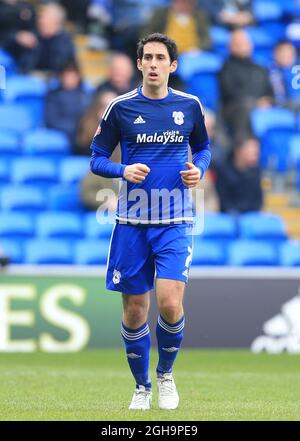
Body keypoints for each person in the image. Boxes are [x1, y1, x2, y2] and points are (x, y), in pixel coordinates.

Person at [90, 33, 211, 410]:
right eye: (148, 57)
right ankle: (142, 386)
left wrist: (199, 170)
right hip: (131, 221)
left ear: (172, 66)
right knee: (134, 310)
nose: (155, 63)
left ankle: (166, 375)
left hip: (175, 218)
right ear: (139, 64)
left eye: (162, 57)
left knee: (171, 303)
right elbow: (96, 158)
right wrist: (123, 169)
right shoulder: (120, 108)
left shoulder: (189, 106)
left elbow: (203, 147)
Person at [219, 28, 274, 137]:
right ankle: (243, 147)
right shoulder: (226, 68)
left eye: (245, 43)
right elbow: (230, 93)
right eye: (238, 44)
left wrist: (268, 101)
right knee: (246, 107)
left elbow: (270, 91)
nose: (243, 46)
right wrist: (256, 102)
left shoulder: (260, 68)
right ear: (230, 47)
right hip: (235, 108)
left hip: (262, 105)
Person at [5, 2, 76, 73]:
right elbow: (8, 48)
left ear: (55, 20)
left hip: (51, 79)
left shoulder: (64, 41)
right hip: (27, 77)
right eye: (40, 17)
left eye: (43, 17)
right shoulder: (33, 35)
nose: (40, 20)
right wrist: (17, 37)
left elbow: (62, 66)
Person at [45, 61, 91, 144]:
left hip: (85, 135)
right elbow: (51, 121)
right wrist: (77, 128)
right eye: (67, 76)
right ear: (60, 77)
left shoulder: (86, 96)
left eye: (73, 76)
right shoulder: (53, 96)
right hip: (68, 134)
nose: (69, 79)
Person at [215, 136, 263, 214]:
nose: (257, 155)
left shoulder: (256, 172)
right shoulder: (223, 171)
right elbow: (222, 201)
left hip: (251, 218)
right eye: (253, 153)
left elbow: (258, 201)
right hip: (227, 218)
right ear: (239, 152)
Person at [142, 0, 211, 54]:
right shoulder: (161, 14)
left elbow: (207, 39)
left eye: (188, 3)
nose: (184, 5)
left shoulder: (200, 16)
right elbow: (147, 33)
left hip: (190, 54)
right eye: (181, 2)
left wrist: (198, 48)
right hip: (166, 51)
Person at [269, 40, 300, 111]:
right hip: (281, 105)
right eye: (283, 53)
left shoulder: (297, 69)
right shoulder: (267, 71)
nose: (286, 55)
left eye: (290, 53)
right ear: (275, 54)